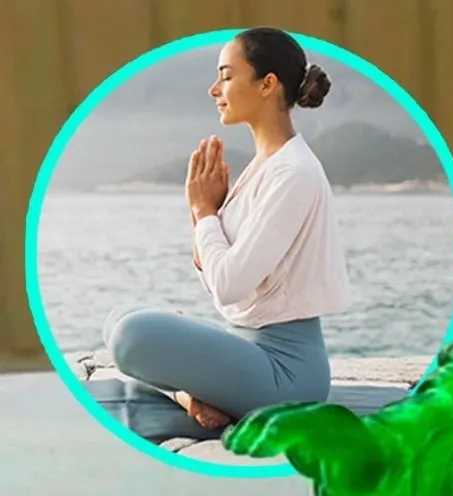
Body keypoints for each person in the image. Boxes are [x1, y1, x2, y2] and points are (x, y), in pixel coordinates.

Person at [101, 27, 352, 441]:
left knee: (132, 336)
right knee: (117, 318)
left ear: (267, 84)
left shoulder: (294, 173)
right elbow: (217, 278)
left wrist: (204, 212)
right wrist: (204, 215)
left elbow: (229, 285)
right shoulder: (265, 166)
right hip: (248, 345)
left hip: (287, 377)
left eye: (226, 76)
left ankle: (190, 394)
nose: (214, 89)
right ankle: (191, 396)